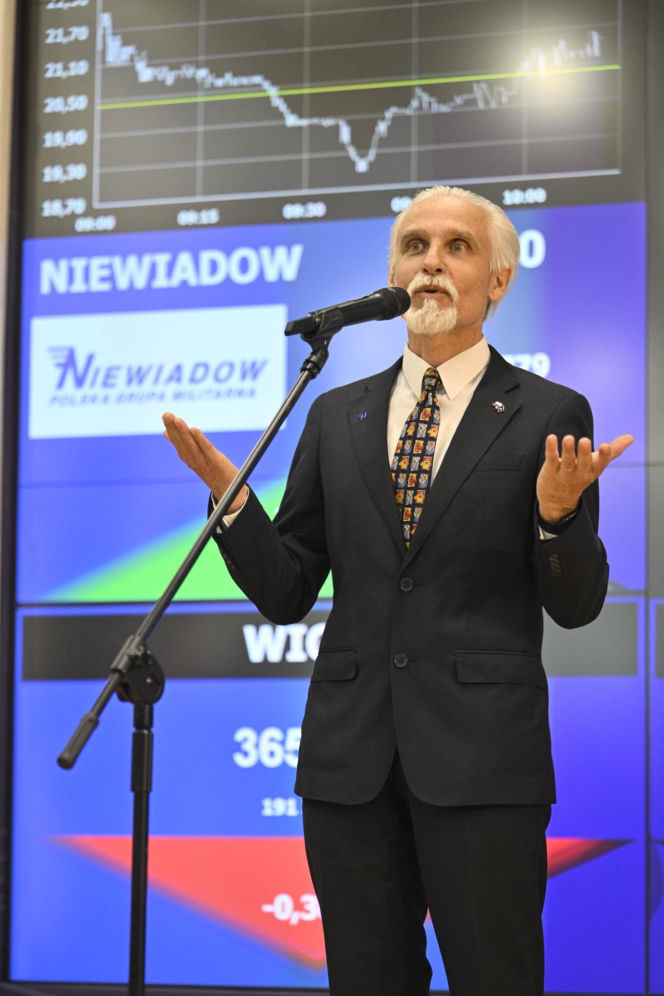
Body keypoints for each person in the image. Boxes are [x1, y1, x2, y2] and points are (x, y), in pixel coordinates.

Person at [162, 185, 633, 996]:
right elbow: (288, 590)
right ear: (392, 274)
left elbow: (576, 604)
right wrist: (235, 507)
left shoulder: (549, 413)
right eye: (415, 246)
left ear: (499, 280)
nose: (432, 263)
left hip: (485, 766)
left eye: (457, 247)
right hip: (351, 769)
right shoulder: (336, 414)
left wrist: (558, 520)